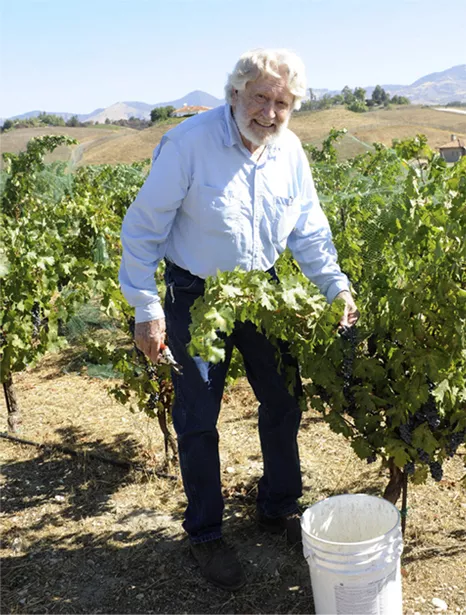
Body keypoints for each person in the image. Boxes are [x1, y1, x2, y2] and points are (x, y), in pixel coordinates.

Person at [119, 48, 359, 591]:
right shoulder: (188, 145)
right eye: (260, 97)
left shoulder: (289, 151)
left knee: (282, 398)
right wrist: (146, 307)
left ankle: (278, 506)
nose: (270, 112)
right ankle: (205, 533)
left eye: (282, 102)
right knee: (199, 414)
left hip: (263, 289)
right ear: (235, 94)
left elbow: (310, 232)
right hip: (196, 291)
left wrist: (335, 286)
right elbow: (143, 229)